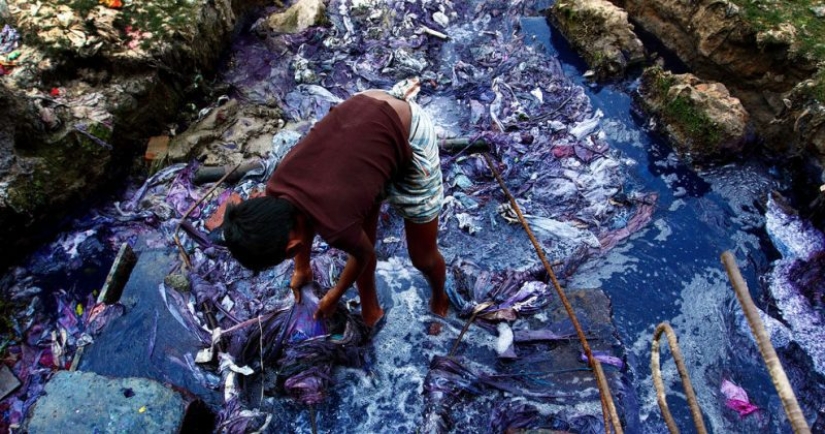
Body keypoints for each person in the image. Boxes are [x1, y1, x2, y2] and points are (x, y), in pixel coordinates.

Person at [218, 78, 448, 328]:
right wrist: (302, 268)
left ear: (292, 248)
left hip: (408, 128)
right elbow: (300, 220)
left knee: (423, 258)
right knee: (362, 222)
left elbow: (364, 255)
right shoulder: (276, 186)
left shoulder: (337, 225)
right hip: (364, 110)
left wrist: (335, 294)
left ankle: (440, 299)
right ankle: (370, 308)